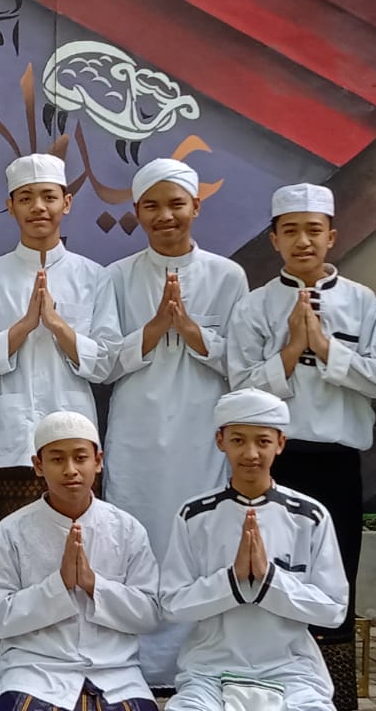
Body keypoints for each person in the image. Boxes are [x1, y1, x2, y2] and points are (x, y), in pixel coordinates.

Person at [224, 182, 376, 708]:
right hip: (274, 464)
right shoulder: (254, 306)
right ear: (274, 239)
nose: (303, 241)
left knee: (335, 576)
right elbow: (240, 386)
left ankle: (334, 693)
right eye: (290, 231)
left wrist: (325, 347)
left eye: (313, 230)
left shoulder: (362, 302)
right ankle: (266, 687)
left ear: (332, 236)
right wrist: (292, 351)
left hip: (337, 462)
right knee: (270, 570)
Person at [103, 157, 248, 690]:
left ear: (196, 207)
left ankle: (196, 662)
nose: (165, 216)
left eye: (176, 204)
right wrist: (153, 329)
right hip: (136, 432)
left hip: (200, 434)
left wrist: (189, 330)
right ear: (137, 212)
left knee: (197, 540)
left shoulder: (228, 276)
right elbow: (100, 361)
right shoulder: (118, 276)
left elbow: (243, 362)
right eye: (152, 206)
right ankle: (138, 664)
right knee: (136, 539)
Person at [161, 388, 348, 711]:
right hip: (210, 670)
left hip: (293, 672)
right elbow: (171, 605)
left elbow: (334, 610)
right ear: (220, 441)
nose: (250, 453)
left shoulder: (309, 516)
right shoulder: (195, 516)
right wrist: (232, 581)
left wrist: (269, 579)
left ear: (280, 443)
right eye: (238, 440)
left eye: (262, 441)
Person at [0, 153, 120, 531]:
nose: (38, 207)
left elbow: (105, 364)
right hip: (11, 442)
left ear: (66, 203)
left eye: (49, 197)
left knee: (79, 539)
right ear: (11, 207)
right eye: (26, 198)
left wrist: (56, 325)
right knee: (11, 542)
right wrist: (24, 326)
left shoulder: (93, 276)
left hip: (75, 444)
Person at [0, 411, 163, 711]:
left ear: (98, 461)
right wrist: (59, 585)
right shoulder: (12, 530)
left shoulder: (127, 529)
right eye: (57, 459)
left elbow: (150, 614)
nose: (70, 470)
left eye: (80, 458)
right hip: (35, 672)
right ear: (38, 465)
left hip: (115, 673)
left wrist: (93, 584)